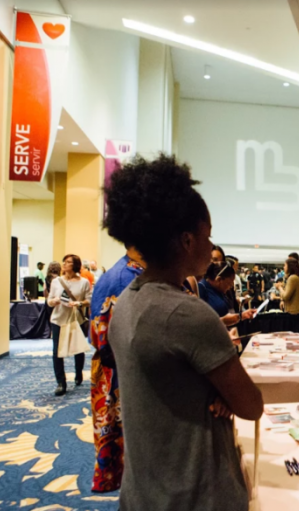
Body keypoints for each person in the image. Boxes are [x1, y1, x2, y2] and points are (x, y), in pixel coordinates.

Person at [103, 154, 263, 511]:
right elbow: (251, 406)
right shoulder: (189, 314)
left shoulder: (126, 304)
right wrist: (228, 391)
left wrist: (215, 388)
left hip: (145, 489)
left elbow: (166, 382)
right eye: (209, 236)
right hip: (196, 494)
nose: (211, 247)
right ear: (188, 241)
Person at [89, 245, 146, 493]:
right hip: (125, 376)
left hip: (122, 372)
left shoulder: (132, 272)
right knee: (137, 456)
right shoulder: (127, 277)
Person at [47, 254, 92, 396]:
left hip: (75, 319)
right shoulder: (56, 282)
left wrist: (79, 303)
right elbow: (49, 300)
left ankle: (78, 373)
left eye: (68, 262)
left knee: (78, 348)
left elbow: (89, 300)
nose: (64, 265)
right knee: (57, 351)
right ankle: (61, 382)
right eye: (64, 262)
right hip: (58, 319)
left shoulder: (84, 282)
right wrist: (54, 301)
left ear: (75, 265)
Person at [198, 261, 254, 326]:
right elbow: (201, 321)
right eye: (229, 284)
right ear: (219, 279)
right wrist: (223, 320)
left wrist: (242, 315)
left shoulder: (219, 290)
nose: (230, 287)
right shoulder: (201, 288)